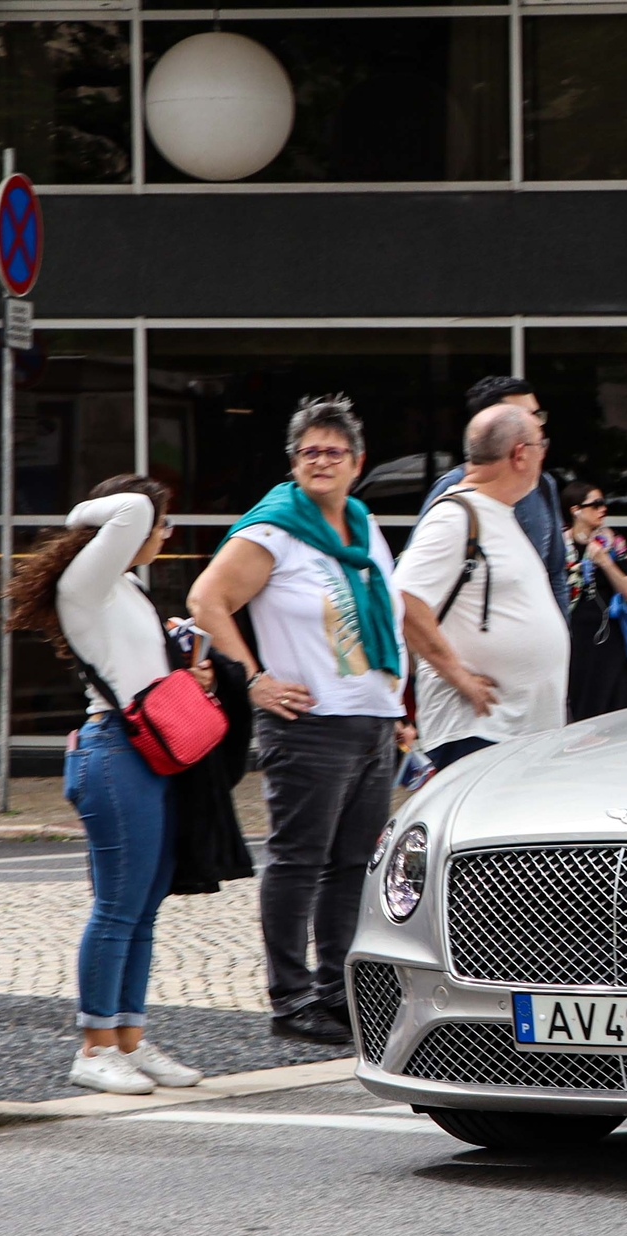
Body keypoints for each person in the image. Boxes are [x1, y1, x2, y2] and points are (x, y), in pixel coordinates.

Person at [188, 395, 406, 1047]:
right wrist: (253, 680)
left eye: (334, 451)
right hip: (310, 725)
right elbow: (207, 598)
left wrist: (397, 710)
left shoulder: (362, 527)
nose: (322, 461)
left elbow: (387, 622)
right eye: (309, 450)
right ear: (292, 462)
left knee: (349, 865)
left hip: (370, 722)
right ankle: (290, 997)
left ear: (358, 463)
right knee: (298, 860)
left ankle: (337, 989)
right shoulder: (276, 529)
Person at [4, 475, 212, 1094]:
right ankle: (93, 1048)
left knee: (143, 906)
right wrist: (83, 512)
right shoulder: (88, 581)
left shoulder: (123, 586)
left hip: (147, 750)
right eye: (162, 524)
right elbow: (133, 505)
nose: (164, 532)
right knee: (118, 906)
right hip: (114, 752)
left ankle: (129, 1039)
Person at [395, 403, 568, 772]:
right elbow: (405, 599)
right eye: (541, 445)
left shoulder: (497, 511)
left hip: (514, 732)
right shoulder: (454, 516)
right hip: (480, 733)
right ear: (520, 454)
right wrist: (458, 676)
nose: (544, 455)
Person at [423, 375, 568, 615]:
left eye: (537, 415)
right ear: (489, 424)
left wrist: (562, 638)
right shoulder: (455, 489)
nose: (537, 426)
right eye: (523, 415)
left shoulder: (543, 484)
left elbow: (555, 572)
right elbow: (415, 589)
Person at [561, 481, 627, 720]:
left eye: (603, 503)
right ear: (575, 510)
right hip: (571, 634)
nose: (602, 508)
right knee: (580, 699)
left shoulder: (614, 543)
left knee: (614, 698)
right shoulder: (558, 545)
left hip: (608, 635)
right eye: (595, 504)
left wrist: (605, 561)